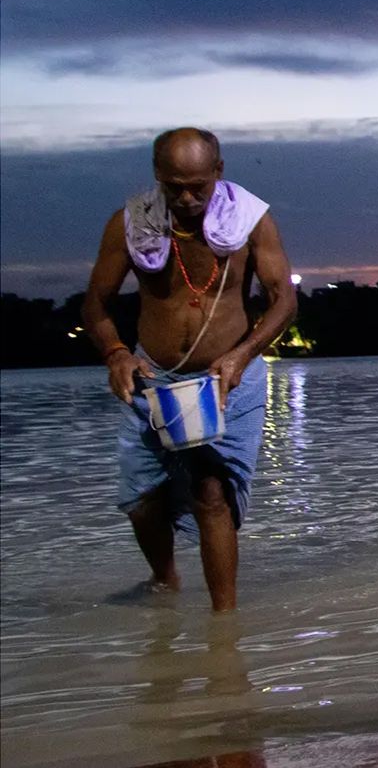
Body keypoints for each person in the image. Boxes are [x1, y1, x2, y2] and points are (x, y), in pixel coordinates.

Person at [80, 128, 296, 611]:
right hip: (152, 376)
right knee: (144, 500)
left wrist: (242, 354)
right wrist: (116, 352)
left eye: (198, 185)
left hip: (226, 380)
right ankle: (165, 580)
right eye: (175, 185)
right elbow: (95, 303)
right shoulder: (129, 223)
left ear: (219, 172)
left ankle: (224, 626)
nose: (187, 197)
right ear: (157, 175)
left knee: (211, 492)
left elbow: (284, 301)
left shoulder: (252, 220)